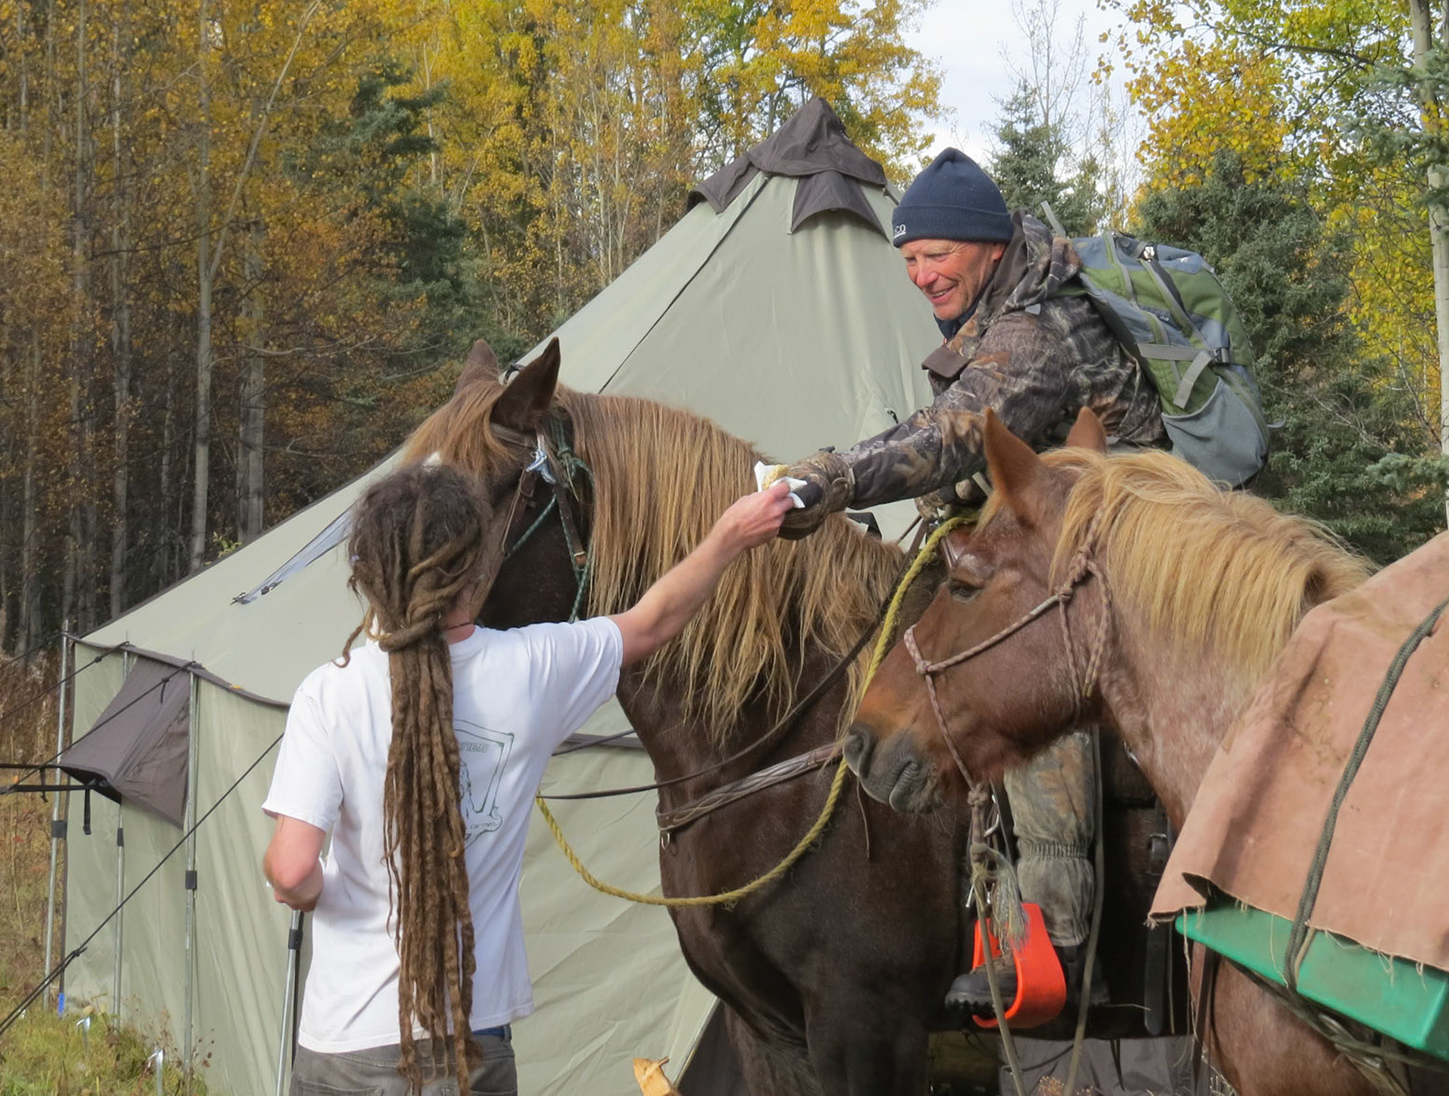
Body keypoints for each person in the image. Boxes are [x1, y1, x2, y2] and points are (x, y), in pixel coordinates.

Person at [775, 147, 1165, 1016]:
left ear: (987, 245)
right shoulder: (1000, 302)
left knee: (1019, 673)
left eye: (936, 254)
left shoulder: (1038, 327)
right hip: (1070, 528)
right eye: (909, 259)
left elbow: (957, 431)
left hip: (1137, 555)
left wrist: (830, 479)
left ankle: (1059, 948)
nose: (920, 275)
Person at [262, 462, 791, 1094]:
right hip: (470, 1044)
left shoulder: (329, 693)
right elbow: (653, 621)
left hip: (343, 1047)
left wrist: (312, 886)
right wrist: (732, 532)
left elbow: (291, 871)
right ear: (475, 570)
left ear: (368, 570)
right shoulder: (533, 668)